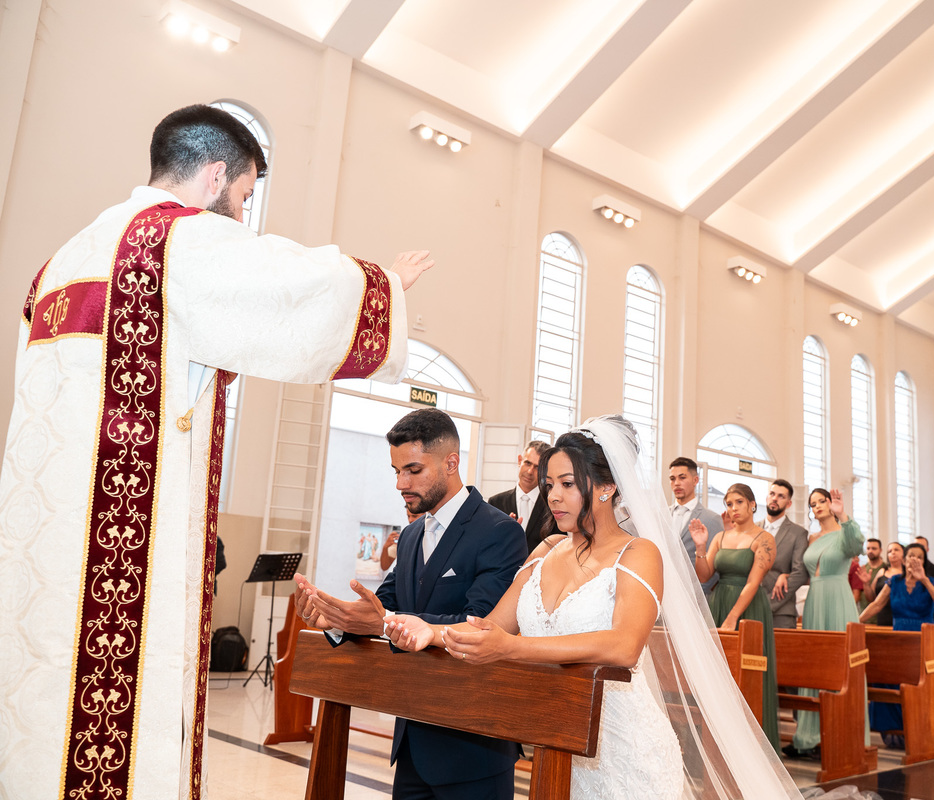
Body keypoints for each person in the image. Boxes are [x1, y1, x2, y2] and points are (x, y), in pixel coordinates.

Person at [0, 104, 434, 800]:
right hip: (122, 543)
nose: (242, 211)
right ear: (214, 176)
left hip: (41, 547)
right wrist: (383, 284)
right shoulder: (173, 239)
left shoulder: (63, 259)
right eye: (245, 194)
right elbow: (288, 283)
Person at [383, 416, 801, 799]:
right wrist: (428, 631)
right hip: (557, 740)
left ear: (606, 487)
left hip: (625, 751)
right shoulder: (545, 550)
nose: (554, 497)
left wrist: (513, 648)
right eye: (549, 485)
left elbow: (624, 646)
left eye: (567, 484)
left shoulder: (638, 553)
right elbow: (491, 626)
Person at [294, 409, 527, 799]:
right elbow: (383, 606)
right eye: (396, 471)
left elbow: (481, 624)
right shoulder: (412, 534)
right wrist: (334, 618)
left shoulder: (499, 531)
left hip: (473, 746)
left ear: (451, 463)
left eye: (413, 470)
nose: (401, 483)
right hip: (412, 741)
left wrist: (383, 622)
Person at [692, 484, 781, 750]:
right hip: (719, 603)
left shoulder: (764, 539)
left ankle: (752, 746)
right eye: (729, 504)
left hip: (748, 610)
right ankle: (717, 744)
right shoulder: (720, 537)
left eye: (739, 502)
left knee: (747, 676)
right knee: (716, 675)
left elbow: (753, 582)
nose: (733, 509)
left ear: (752, 505)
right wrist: (700, 546)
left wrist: (732, 617)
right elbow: (704, 575)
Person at [784, 488, 867, 760]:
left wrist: (844, 515)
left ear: (832, 504)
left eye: (822, 501)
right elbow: (801, 570)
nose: (817, 506)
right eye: (813, 503)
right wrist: (785, 576)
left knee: (840, 665)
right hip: (814, 600)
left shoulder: (845, 532)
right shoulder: (811, 538)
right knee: (814, 665)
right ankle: (808, 737)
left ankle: (842, 733)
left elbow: (857, 546)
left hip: (838, 598)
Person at [859, 542, 934, 746]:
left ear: (924, 562)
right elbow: (876, 605)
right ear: (905, 559)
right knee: (892, 682)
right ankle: (898, 730)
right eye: (911, 556)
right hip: (899, 640)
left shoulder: (930, 581)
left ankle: (926, 732)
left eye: (919, 557)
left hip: (924, 640)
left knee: (923, 686)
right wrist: (856, 621)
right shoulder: (894, 582)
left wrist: (924, 579)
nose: (914, 560)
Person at [758, 478, 809, 629]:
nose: (775, 498)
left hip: (781, 612)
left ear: (789, 504)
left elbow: (800, 573)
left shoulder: (798, 533)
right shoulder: (753, 529)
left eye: (781, 496)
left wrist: (768, 602)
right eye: (772, 494)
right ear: (767, 497)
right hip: (749, 606)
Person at [488, 440, 554, 554]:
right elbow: (486, 544)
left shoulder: (553, 506)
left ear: (545, 471)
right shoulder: (495, 502)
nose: (530, 471)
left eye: (537, 467)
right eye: (527, 463)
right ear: (520, 460)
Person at [668, 456, 723, 594]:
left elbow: (715, 566)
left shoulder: (712, 519)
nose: (676, 483)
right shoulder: (660, 516)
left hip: (695, 595)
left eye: (682, 477)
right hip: (663, 591)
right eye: (672, 479)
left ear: (695, 480)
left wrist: (698, 595)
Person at [860, 542, 904, 626]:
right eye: (890, 551)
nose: (893, 552)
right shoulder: (882, 572)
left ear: (904, 553)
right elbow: (872, 599)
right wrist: (866, 584)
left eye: (896, 550)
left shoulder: (907, 574)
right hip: (882, 617)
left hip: (900, 618)